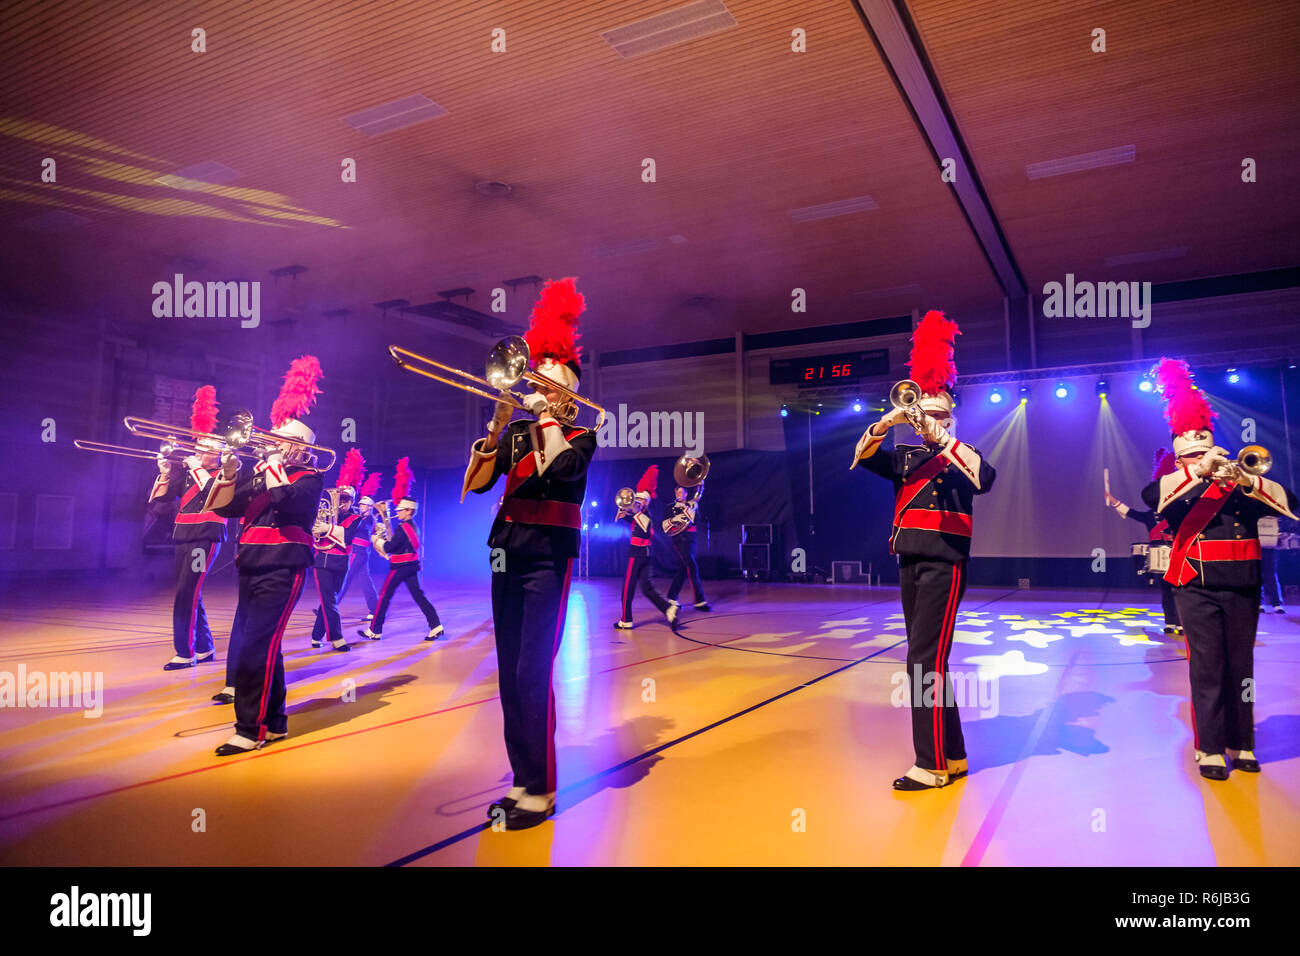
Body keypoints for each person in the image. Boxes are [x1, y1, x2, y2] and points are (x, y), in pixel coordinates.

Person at [461, 277, 596, 830]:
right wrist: (496, 427)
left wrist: (543, 415)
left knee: (532, 671)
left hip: (548, 558)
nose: (533, 392)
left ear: (564, 395)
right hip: (505, 554)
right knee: (508, 673)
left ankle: (540, 790)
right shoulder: (516, 429)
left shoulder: (583, 434)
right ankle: (521, 778)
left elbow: (560, 469)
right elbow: (477, 484)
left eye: (546, 387)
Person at [851, 310, 995, 791]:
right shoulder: (906, 457)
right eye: (924, 415)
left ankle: (929, 764)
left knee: (921, 662)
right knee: (931, 661)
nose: (927, 421)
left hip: (945, 560)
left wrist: (942, 437)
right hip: (908, 558)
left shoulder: (961, 454)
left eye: (937, 415)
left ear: (950, 416)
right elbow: (861, 458)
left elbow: (985, 479)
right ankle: (951, 756)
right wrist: (888, 420)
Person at [1142, 358, 1297, 781]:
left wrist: (1247, 480)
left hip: (1244, 584)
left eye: (1205, 452)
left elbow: (1291, 504)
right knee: (1207, 666)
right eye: (1192, 456)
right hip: (1195, 586)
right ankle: (1209, 745)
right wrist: (1197, 472)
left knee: (1240, 666)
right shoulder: (1175, 487)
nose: (1203, 459)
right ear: (1182, 459)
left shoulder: (1239, 485)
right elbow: (1152, 498)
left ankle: (1241, 740)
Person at [204, 357, 325, 755]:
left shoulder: (310, 479)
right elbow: (225, 509)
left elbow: (287, 505)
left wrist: (272, 467)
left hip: (284, 565)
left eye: (279, 443)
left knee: (255, 645)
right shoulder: (260, 473)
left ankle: (248, 728)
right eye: (271, 442)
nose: (270, 447)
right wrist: (226, 470)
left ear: (301, 448)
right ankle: (275, 722)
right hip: (250, 562)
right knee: (262, 643)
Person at [149, 385, 227, 670]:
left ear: (218, 453)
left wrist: (195, 467)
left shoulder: (223, 474)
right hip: (183, 536)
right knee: (190, 591)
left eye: (207, 447)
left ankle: (186, 652)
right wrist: (165, 471)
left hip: (205, 537)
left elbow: (213, 494)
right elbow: (162, 500)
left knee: (185, 593)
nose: (199, 449)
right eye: (200, 445)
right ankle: (205, 647)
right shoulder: (190, 473)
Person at [357, 458, 444, 642]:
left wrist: (377, 539)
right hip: (411, 566)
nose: (398, 511)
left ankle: (375, 630)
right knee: (419, 597)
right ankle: (436, 625)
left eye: (401, 510)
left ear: (409, 511)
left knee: (384, 597)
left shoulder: (403, 528)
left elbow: (390, 547)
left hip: (399, 567)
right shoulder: (412, 526)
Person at [1106, 448, 1181, 634]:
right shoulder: (1150, 516)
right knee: (1166, 591)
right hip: (1160, 557)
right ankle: (1170, 623)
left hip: (1178, 555)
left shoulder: (1178, 512)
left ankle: (1181, 623)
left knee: (1179, 591)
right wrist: (1113, 500)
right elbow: (1131, 513)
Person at [310, 448, 366, 652]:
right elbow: (316, 532)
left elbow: (349, 537)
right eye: (339, 499)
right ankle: (337, 638)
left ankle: (316, 635)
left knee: (329, 599)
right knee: (329, 600)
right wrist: (317, 528)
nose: (341, 503)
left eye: (345, 500)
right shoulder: (324, 512)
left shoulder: (356, 518)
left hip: (341, 562)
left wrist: (328, 528)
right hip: (322, 560)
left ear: (352, 501)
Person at [615, 465, 678, 630]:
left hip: (636, 554)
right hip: (646, 555)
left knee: (628, 588)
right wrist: (624, 516)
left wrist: (632, 511)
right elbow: (637, 523)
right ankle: (668, 608)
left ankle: (626, 620)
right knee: (647, 588)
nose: (636, 501)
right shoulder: (640, 515)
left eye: (640, 500)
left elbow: (642, 525)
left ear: (645, 501)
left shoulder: (645, 514)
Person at [337, 471, 382, 622]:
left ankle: (329, 608)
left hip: (358, 552)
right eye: (360, 504)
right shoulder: (362, 517)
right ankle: (375, 610)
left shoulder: (368, 519)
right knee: (366, 582)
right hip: (360, 553)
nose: (360, 506)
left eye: (363, 505)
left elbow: (358, 528)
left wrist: (354, 516)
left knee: (344, 579)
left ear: (369, 507)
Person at [665, 480, 710, 612]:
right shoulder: (671, 507)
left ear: (685, 494)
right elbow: (670, 524)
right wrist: (684, 511)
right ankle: (699, 601)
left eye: (681, 492)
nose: (679, 494)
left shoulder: (691, 505)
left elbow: (696, 521)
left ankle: (672, 597)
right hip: (679, 540)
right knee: (692, 565)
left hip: (691, 540)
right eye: (677, 492)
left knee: (683, 569)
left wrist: (694, 509)